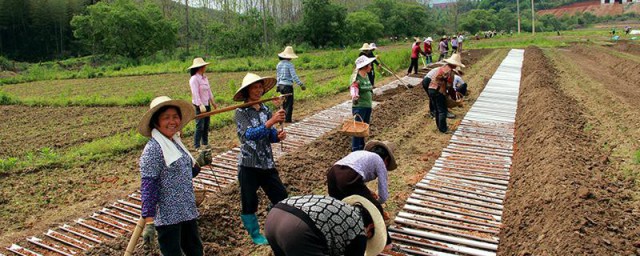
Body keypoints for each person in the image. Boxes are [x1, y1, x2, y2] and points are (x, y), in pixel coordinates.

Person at [138, 96, 207, 256]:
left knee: (195, 251)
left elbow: (185, 173)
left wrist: (199, 163)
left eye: (175, 117)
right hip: (168, 216)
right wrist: (149, 221)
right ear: (156, 122)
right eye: (166, 118)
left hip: (187, 210)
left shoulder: (175, 142)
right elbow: (148, 186)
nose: (172, 121)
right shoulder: (153, 149)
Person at [234, 73, 288, 245]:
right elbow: (248, 135)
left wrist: (277, 136)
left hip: (266, 162)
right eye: (254, 87)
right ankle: (255, 234)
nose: (257, 90)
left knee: (281, 196)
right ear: (247, 91)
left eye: (260, 87)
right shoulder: (241, 112)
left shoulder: (265, 109)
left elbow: (269, 135)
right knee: (249, 201)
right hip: (249, 164)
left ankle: (278, 224)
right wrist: (271, 122)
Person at [327, 140, 397, 248]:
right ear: (386, 159)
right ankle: (387, 245)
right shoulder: (379, 161)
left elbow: (357, 182)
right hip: (348, 176)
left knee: (338, 208)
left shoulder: (360, 154)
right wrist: (375, 202)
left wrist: (369, 194)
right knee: (374, 208)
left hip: (333, 173)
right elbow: (383, 195)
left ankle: (340, 240)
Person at [264, 195, 387, 256]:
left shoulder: (341, 208)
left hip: (274, 217)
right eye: (369, 236)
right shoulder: (359, 231)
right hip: (297, 232)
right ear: (370, 227)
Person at [428, 54, 465, 133]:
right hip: (438, 91)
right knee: (442, 111)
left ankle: (440, 127)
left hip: (431, 89)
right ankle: (444, 129)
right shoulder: (450, 72)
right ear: (454, 64)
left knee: (437, 110)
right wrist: (454, 99)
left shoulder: (442, 68)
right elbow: (450, 87)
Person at [188, 58, 218, 150]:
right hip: (199, 106)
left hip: (207, 104)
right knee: (200, 125)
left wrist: (213, 102)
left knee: (206, 125)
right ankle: (197, 145)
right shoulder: (194, 79)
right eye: (204, 66)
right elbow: (195, 93)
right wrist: (200, 105)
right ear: (200, 67)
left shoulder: (205, 78)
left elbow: (209, 91)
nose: (205, 67)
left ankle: (205, 143)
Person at [350, 55, 377, 152]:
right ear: (365, 66)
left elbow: (369, 88)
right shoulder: (356, 78)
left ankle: (361, 147)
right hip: (359, 107)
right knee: (358, 129)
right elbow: (354, 89)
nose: (371, 67)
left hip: (367, 105)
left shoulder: (366, 76)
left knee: (364, 128)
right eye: (369, 65)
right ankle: (355, 149)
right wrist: (355, 96)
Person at [276, 46, 305, 123]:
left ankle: (281, 119)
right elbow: (294, 76)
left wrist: (277, 86)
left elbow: (278, 76)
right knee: (289, 103)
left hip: (281, 86)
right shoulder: (289, 65)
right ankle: (287, 119)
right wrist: (301, 84)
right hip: (287, 86)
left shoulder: (279, 64)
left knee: (283, 103)